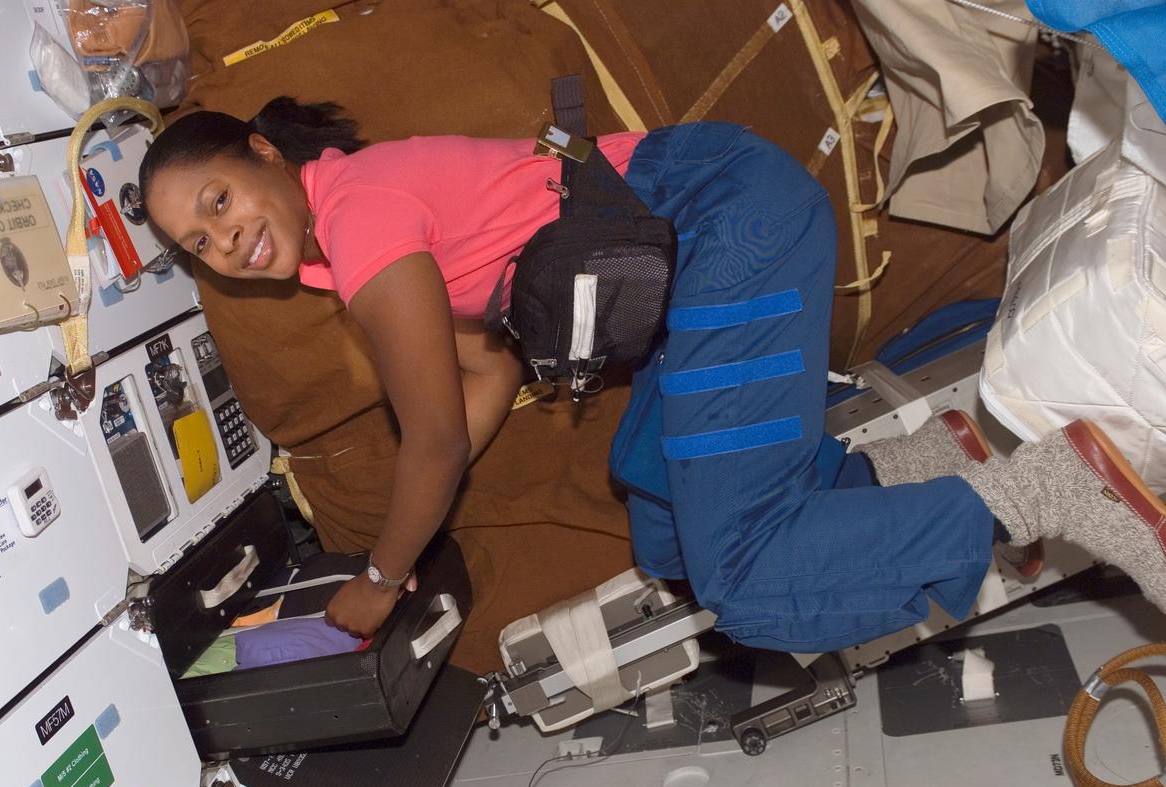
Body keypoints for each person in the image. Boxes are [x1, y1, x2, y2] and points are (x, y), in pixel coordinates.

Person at [140, 97, 1166, 647]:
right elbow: (481, 380)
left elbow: (436, 434)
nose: (223, 244)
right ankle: (924, 471)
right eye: (197, 246)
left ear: (268, 153)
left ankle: (1046, 489)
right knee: (663, 510)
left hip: (725, 219)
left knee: (747, 578)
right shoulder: (339, 240)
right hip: (703, 252)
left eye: (220, 202)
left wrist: (378, 575)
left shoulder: (359, 216)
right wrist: (422, 496)